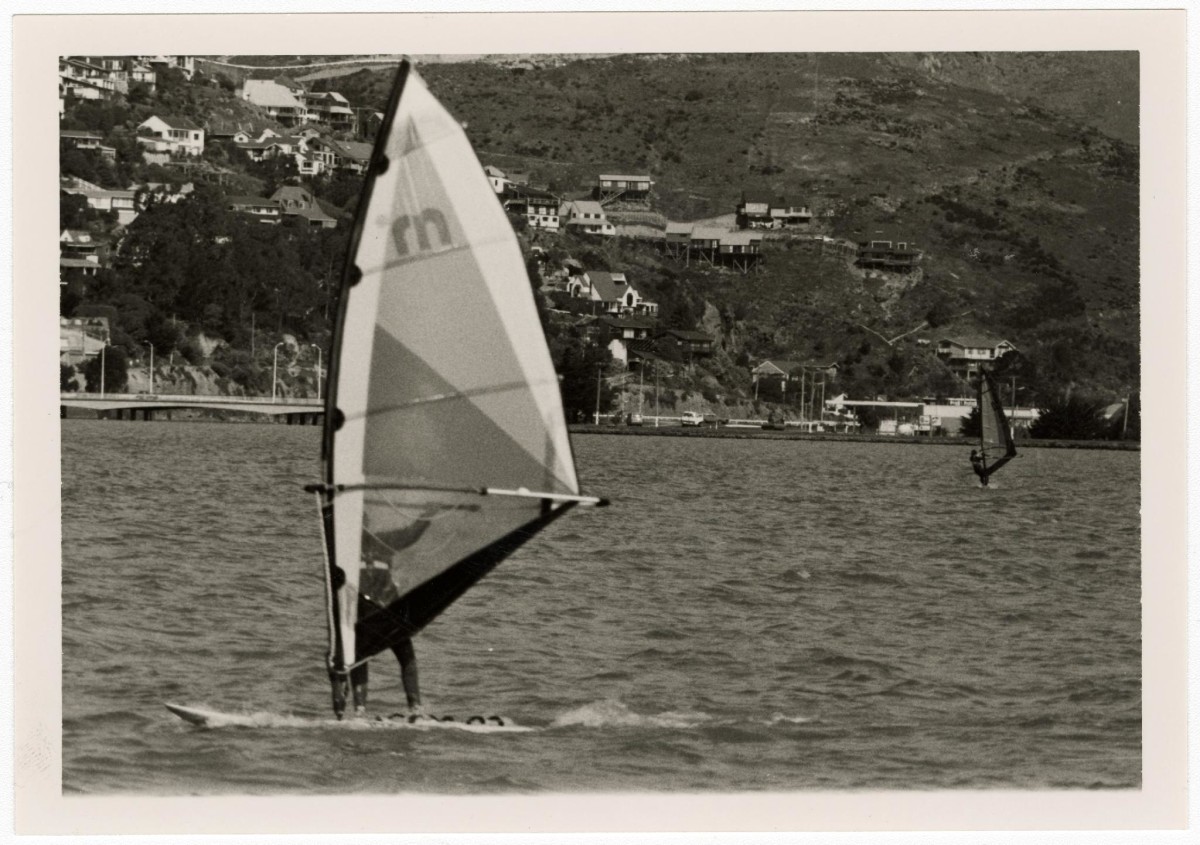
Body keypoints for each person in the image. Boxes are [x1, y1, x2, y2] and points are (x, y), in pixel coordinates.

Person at [350, 516, 433, 719]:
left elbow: (410, 534)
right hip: (386, 610)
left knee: (362, 657)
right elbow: (410, 533)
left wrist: (429, 514)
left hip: (372, 611)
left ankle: (361, 710)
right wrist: (429, 514)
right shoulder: (380, 541)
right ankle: (415, 707)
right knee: (405, 657)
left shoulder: (349, 546)